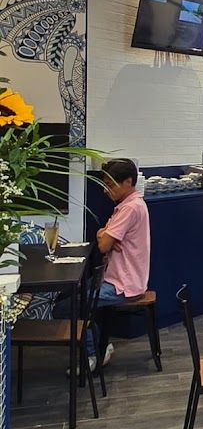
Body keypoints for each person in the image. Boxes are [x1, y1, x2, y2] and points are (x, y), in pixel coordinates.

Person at [62, 158, 151, 370]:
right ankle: (100, 346)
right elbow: (105, 239)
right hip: (117, 277)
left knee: (72, 304)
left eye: (110, 185)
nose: (105, 191)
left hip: (124, 284)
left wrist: (103, 234)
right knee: (71, 298)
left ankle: (93, 355)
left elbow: (103, 245)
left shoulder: (130, 208)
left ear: (128, 182)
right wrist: (104, 235)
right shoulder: (129, 205)